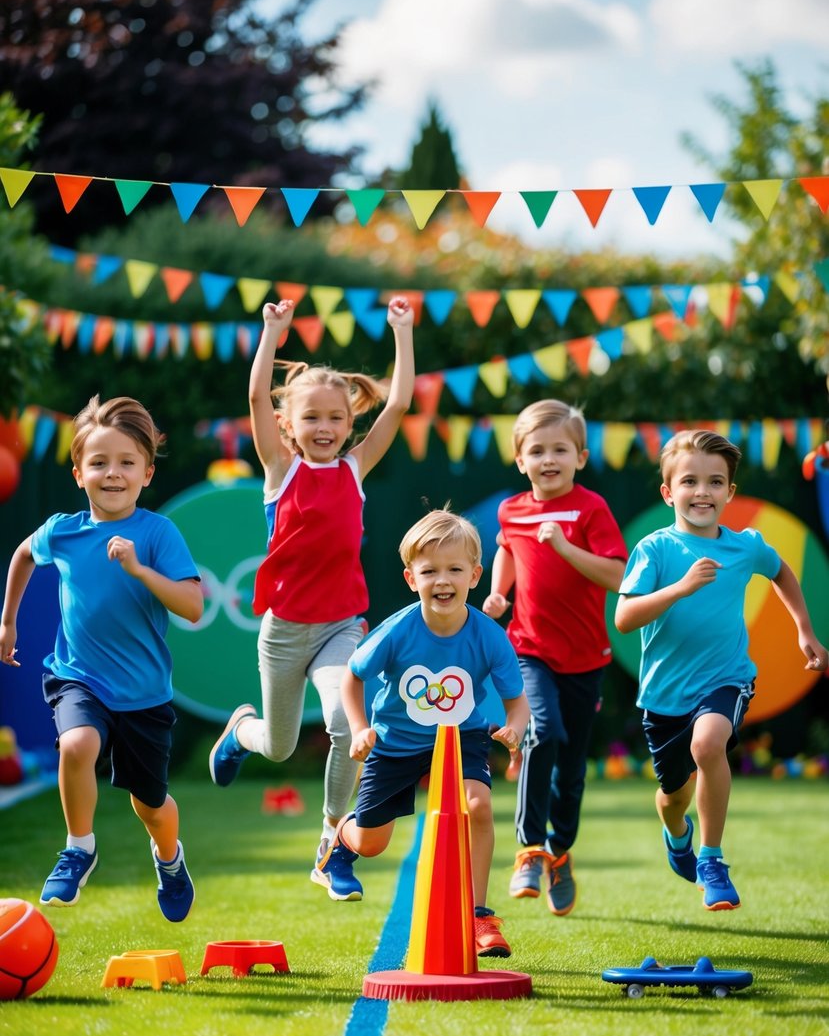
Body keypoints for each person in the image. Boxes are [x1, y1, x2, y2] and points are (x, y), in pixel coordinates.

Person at [209, 295, 415, 899]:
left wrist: (401, 332)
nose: (325, 428)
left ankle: (330, 841)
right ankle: (239, 730)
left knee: (343, 723)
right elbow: (254, 399)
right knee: (276, 746)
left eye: (336, 418)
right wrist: (272, 333)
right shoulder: (282, 471)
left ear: (349, 424)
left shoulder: (354, 470)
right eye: (312, 419)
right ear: (289, 427)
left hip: (340, 628)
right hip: (282, 631)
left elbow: (399, 402)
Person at [0, 396, 203, 920]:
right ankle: (78, 848)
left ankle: (170, 859)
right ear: (78, 473)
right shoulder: (62, 531)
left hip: (144, 694)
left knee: (151, 807)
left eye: (126, 463)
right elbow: (24, 554)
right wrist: (8, 621)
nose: (112, 473)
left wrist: (140, 571)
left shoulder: (158, 534)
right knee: (76, 744)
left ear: (147, 473)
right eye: (99, 462)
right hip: (77, 677)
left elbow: (193, 606)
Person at [615, 428, 828, 911]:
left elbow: (781, 571)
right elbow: (625, 618)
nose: (702, 492)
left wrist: (804, 630)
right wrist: (680, 589)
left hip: (726, 678)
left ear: (729, 492)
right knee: (673, 797)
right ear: (669, 492)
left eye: (715, 482)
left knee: (709, 743)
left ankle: (711, 859)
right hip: (663, 697)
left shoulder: (745, 546)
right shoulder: (654, 550)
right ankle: (678, 834)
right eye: (689, 482)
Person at [315, 508, 530, 955]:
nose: (443, 580)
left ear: (475, 575)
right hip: (395, 742)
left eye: (454, 569)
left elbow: (517, 701)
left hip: (461, 738)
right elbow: (352, 676)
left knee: (479, 806)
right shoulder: (398, 630)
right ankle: (341, 840)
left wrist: (514, 728)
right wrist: (359, 729)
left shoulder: (490, 637)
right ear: (411, 578)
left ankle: (480, 919)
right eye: (430, 570)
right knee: (373, 844)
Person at [483, 400, 627, 915]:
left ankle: (561, 854)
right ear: (520, 459)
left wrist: (565, 548)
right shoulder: (512, 510)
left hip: (586, 658)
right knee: (540, 731)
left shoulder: (591, 509)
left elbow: (617, 576)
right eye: (537, 450)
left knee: (572, 770)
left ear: (581, 457)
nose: (549, 459)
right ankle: (529, 849)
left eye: (559, 449)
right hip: (529, 648)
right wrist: (500, 593)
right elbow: (505, 547)